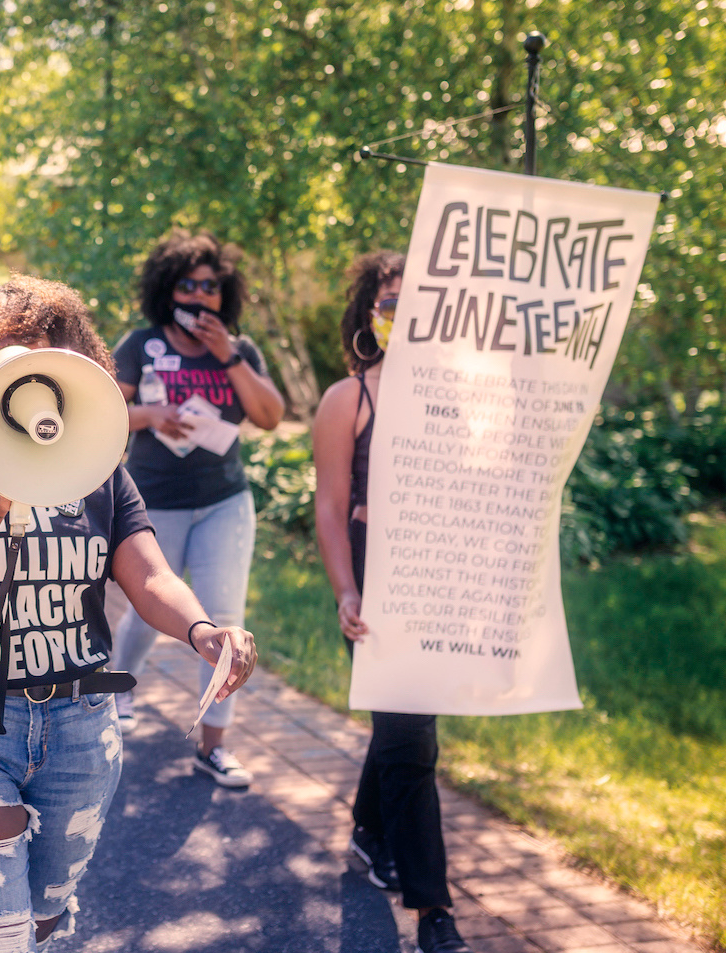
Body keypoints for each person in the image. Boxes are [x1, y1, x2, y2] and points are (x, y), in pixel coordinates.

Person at [0, 276, 257, 951]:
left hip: (81, 726)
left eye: (32, 341)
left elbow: (147, 575)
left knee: (43, 922)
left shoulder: (95, 467)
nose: (13, 355)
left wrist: (203, 630)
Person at [312, 251, 472, 953]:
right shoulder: (350, 398)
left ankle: (369, 831)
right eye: (387, 299)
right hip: (375, 582)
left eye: (415, 300)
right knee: (414, 742)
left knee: (400, 730)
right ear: (367, 313)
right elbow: (329, 504)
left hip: (440, 579)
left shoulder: (464, 397)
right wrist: (346, 587)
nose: (399, 310)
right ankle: (433, 910)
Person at [110, 229, 284, 788]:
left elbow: (270, 416)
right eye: (188, 284)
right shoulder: (141, 343)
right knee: (145, 611)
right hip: (154, 501)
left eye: (211, 286)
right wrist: (151, 415)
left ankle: (214, 745)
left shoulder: (239, 349)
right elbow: (106, 409)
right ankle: (121, 690)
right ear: (168, 289)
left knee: (226, 619)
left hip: (223, 503)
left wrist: (226, 354)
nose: (201, 295)